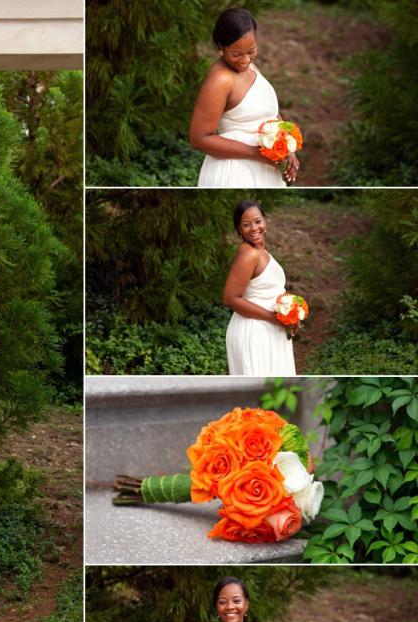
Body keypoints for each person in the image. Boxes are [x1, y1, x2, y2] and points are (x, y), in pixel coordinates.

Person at [190, 8, 300, 187]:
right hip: (234, 171)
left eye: (251, 50)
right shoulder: (220, 80)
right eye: (236, 54)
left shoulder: (251, 68)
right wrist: (255, 153)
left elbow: (270, 114)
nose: (245, 60)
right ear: (220, 47)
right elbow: (199, 138)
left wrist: (288, 147)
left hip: (263, 168)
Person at [223, 200, 296, 376]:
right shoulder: (248, 253)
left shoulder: (261, 251)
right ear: (239, 230)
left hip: (268, 329)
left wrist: (291, 314)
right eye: (246, 225)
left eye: (258, 221)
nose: (254, 228)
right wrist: (274, 318)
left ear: (265, 221)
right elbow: (230, 298)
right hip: (255, 332)